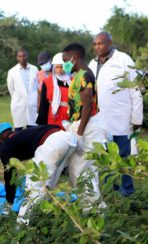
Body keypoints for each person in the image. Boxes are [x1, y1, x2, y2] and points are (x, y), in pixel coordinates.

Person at [88, 32, 144, 196]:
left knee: (124, 155)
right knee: (105, 156)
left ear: (110, 42)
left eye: (101, 43)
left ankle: (127, 189)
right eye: (95, 44)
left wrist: (136, 118)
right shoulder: (93, 63)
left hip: (121, 118)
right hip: (101, 120)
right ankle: (110, 187)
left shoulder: (124, 60)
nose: (98, 47)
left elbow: (135, 90)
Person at [0, 123, 76, 224]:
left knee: (32, 189)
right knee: (47, 186)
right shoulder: (24, 134)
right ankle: (48, 218)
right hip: (68, 138)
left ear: (1, 138)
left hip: (52, 143)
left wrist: (9, 201)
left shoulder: (5, 145)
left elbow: (9, 175)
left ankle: (22, 229)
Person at [63, 43, 108, 206]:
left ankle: (91, 209)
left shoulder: (83, 76)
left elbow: (87, 106)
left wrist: (79, 133)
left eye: (65, 60)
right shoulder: (81, 74)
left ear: (74, 58)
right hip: (84, 124)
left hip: (86, 127)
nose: (64, 64)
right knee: (87, 171)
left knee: (79, 171)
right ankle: (94, 208)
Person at [7, 49, 39, 130]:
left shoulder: (34, 69)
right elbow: (11, 88)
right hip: (19, 103)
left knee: (33, 128)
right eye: (20, 56)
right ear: (17, 58)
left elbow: (37, 86)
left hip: (32, 103)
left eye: (24, 56)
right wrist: (17, 97)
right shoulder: (12, 71)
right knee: (18, 128)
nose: (22, 58)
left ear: (27, 56)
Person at [36, 53, 72, 127]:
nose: (59, 70)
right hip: (53, 119)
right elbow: (44, 104)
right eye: (57, 67)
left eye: (61, 67)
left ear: (66, 66)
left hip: (69, 119)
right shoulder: (47, 82)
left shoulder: (73, 81)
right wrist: (42, 122)